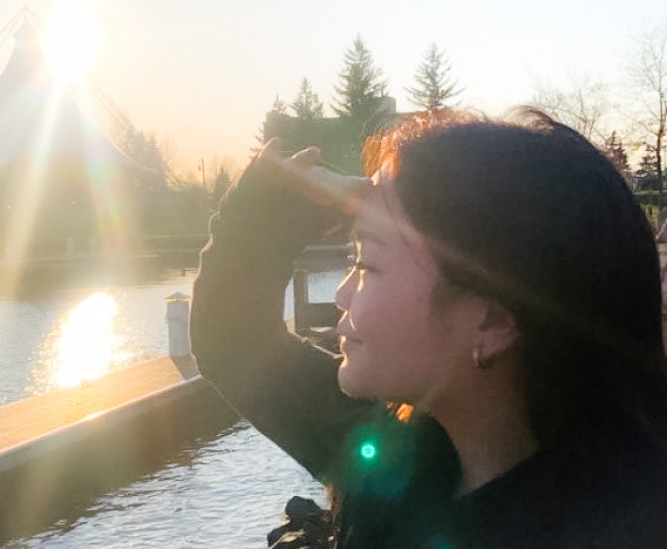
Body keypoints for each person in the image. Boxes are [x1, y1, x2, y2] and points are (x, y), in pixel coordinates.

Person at [190, 110, 667, 548]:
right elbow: (232, 338)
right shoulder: (397, 447)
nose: (342, 294)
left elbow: (232, 342)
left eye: (367, 263)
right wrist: (289, 201)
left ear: (493, 321)